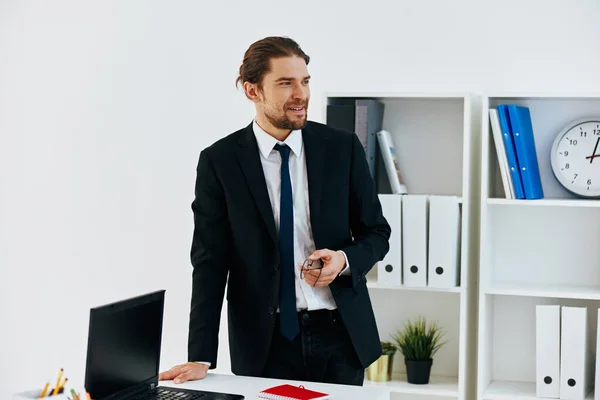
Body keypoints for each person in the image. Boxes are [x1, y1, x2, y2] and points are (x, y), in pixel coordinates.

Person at [159, 36, 391, 386]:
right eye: (285, 83)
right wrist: (200, 355)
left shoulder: (342, 148)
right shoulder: (220, 162)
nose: (301, 94)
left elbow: (377, 232)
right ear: (253, 91)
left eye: (305, 81)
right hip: (265, 345)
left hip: (340, 335)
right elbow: (209, 262)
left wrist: (344, 259)